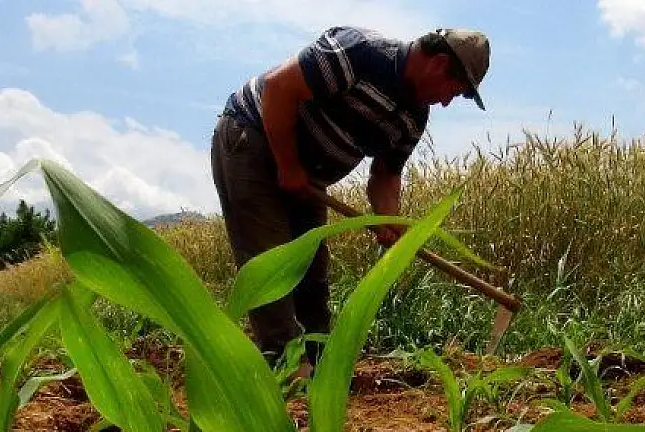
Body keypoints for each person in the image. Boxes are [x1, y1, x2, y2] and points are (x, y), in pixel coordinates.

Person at [210, 26, 490, 370]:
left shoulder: (414, 116)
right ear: (439, 63)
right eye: (453, 90)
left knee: (310, 270)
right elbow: (278, 89)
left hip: (307, 174)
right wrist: (288, 166)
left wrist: (388, 221)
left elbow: (386, 175)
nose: (447, 101)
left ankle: (322, 366)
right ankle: (285, 367)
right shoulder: (359, 53)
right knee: (270, 260)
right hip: (253, 139)